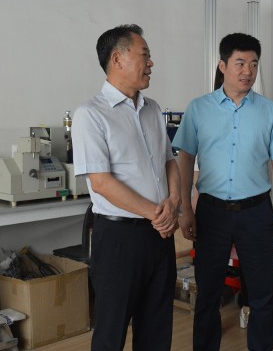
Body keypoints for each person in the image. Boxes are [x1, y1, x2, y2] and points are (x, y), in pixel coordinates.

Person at [173, 32, 273, 351]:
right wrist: (185, 208)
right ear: (222, 65)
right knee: (208, 292)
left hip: (256, 213)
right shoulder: (199, 108)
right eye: (240, 63)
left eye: (254, 64)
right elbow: (185, 159)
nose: (247, 71)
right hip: (211, 212)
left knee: (262, 292)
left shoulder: (269, 111)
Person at [71, 24, 181, 351]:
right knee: (111, 331)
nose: (151, 63)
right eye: (144, 55)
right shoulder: (91, 114)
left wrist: (174, 202)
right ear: (118, 59)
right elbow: (101, 182)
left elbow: (168, 162)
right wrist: (158, 215)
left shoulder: (153, 109)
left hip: (159, 236)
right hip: (120, 238)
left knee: (157, 328)